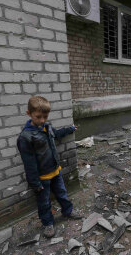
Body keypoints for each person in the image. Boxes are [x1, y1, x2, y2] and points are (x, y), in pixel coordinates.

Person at [17, 96, 82, 238]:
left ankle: (68, 211)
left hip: (55, 171)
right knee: (44, 202)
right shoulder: (26, 137)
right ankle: (47, 223)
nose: (42, 120)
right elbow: (29, 163)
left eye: (45, 117)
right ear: (29, 114)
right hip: (42, 178)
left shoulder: (47, 127)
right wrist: (35, 183)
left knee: (62, 194)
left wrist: (70, 129)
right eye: (38, 117)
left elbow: (56, 134)